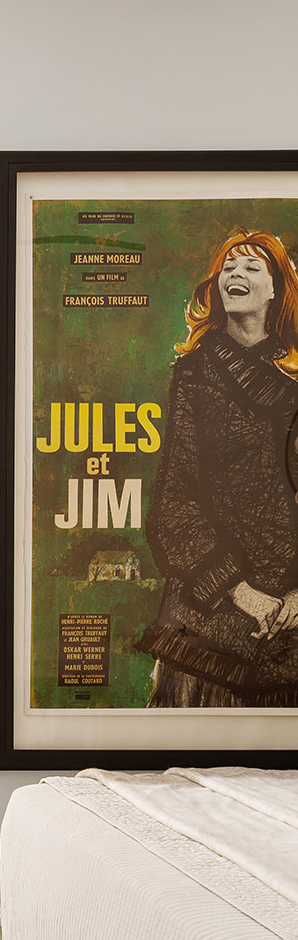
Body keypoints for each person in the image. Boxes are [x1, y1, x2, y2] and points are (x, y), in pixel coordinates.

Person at [140, 228, 298, 706]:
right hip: (208, 625)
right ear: (215, 286)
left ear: (277, 288)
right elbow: (173, 505)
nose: (237, 273)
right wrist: (242, 593)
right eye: (229, 267)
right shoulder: (193, 373)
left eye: (253, 267)